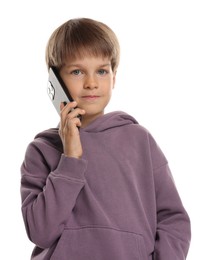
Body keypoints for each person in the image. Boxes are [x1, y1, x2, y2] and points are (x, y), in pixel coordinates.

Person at [20, 18, 191, 260]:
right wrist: (70, 159)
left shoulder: (139, 140)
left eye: (101, 71)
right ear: (54, 81)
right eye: (77, 71)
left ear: (114, 77)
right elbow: (41, 232)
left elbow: (173, 219)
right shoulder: (41, 151)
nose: (91, 83)